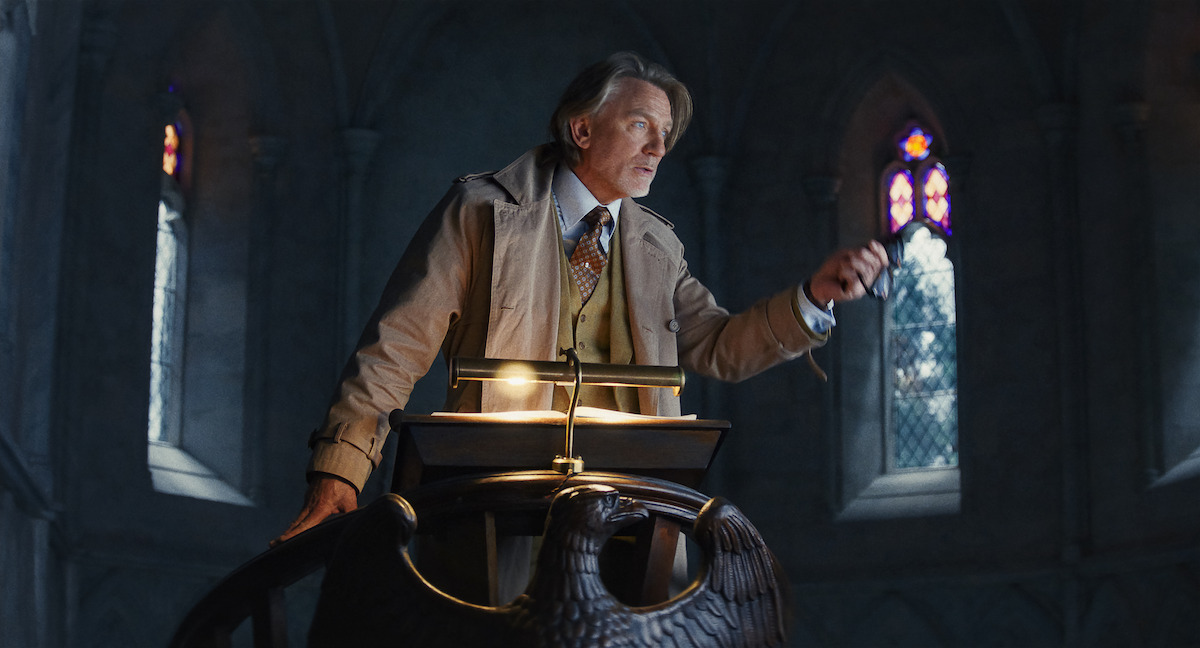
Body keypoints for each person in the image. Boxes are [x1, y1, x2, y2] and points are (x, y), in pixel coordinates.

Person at [275, 51, 887, 545]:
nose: (659, 148)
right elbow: (395, 350)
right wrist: (341, 467)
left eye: (666, 134)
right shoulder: (481, 213)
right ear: (582, 128)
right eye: (641, 125)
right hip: (501, 497)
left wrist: (812, 298)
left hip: (636, 505)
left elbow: (718, 345)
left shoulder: (657, 247)